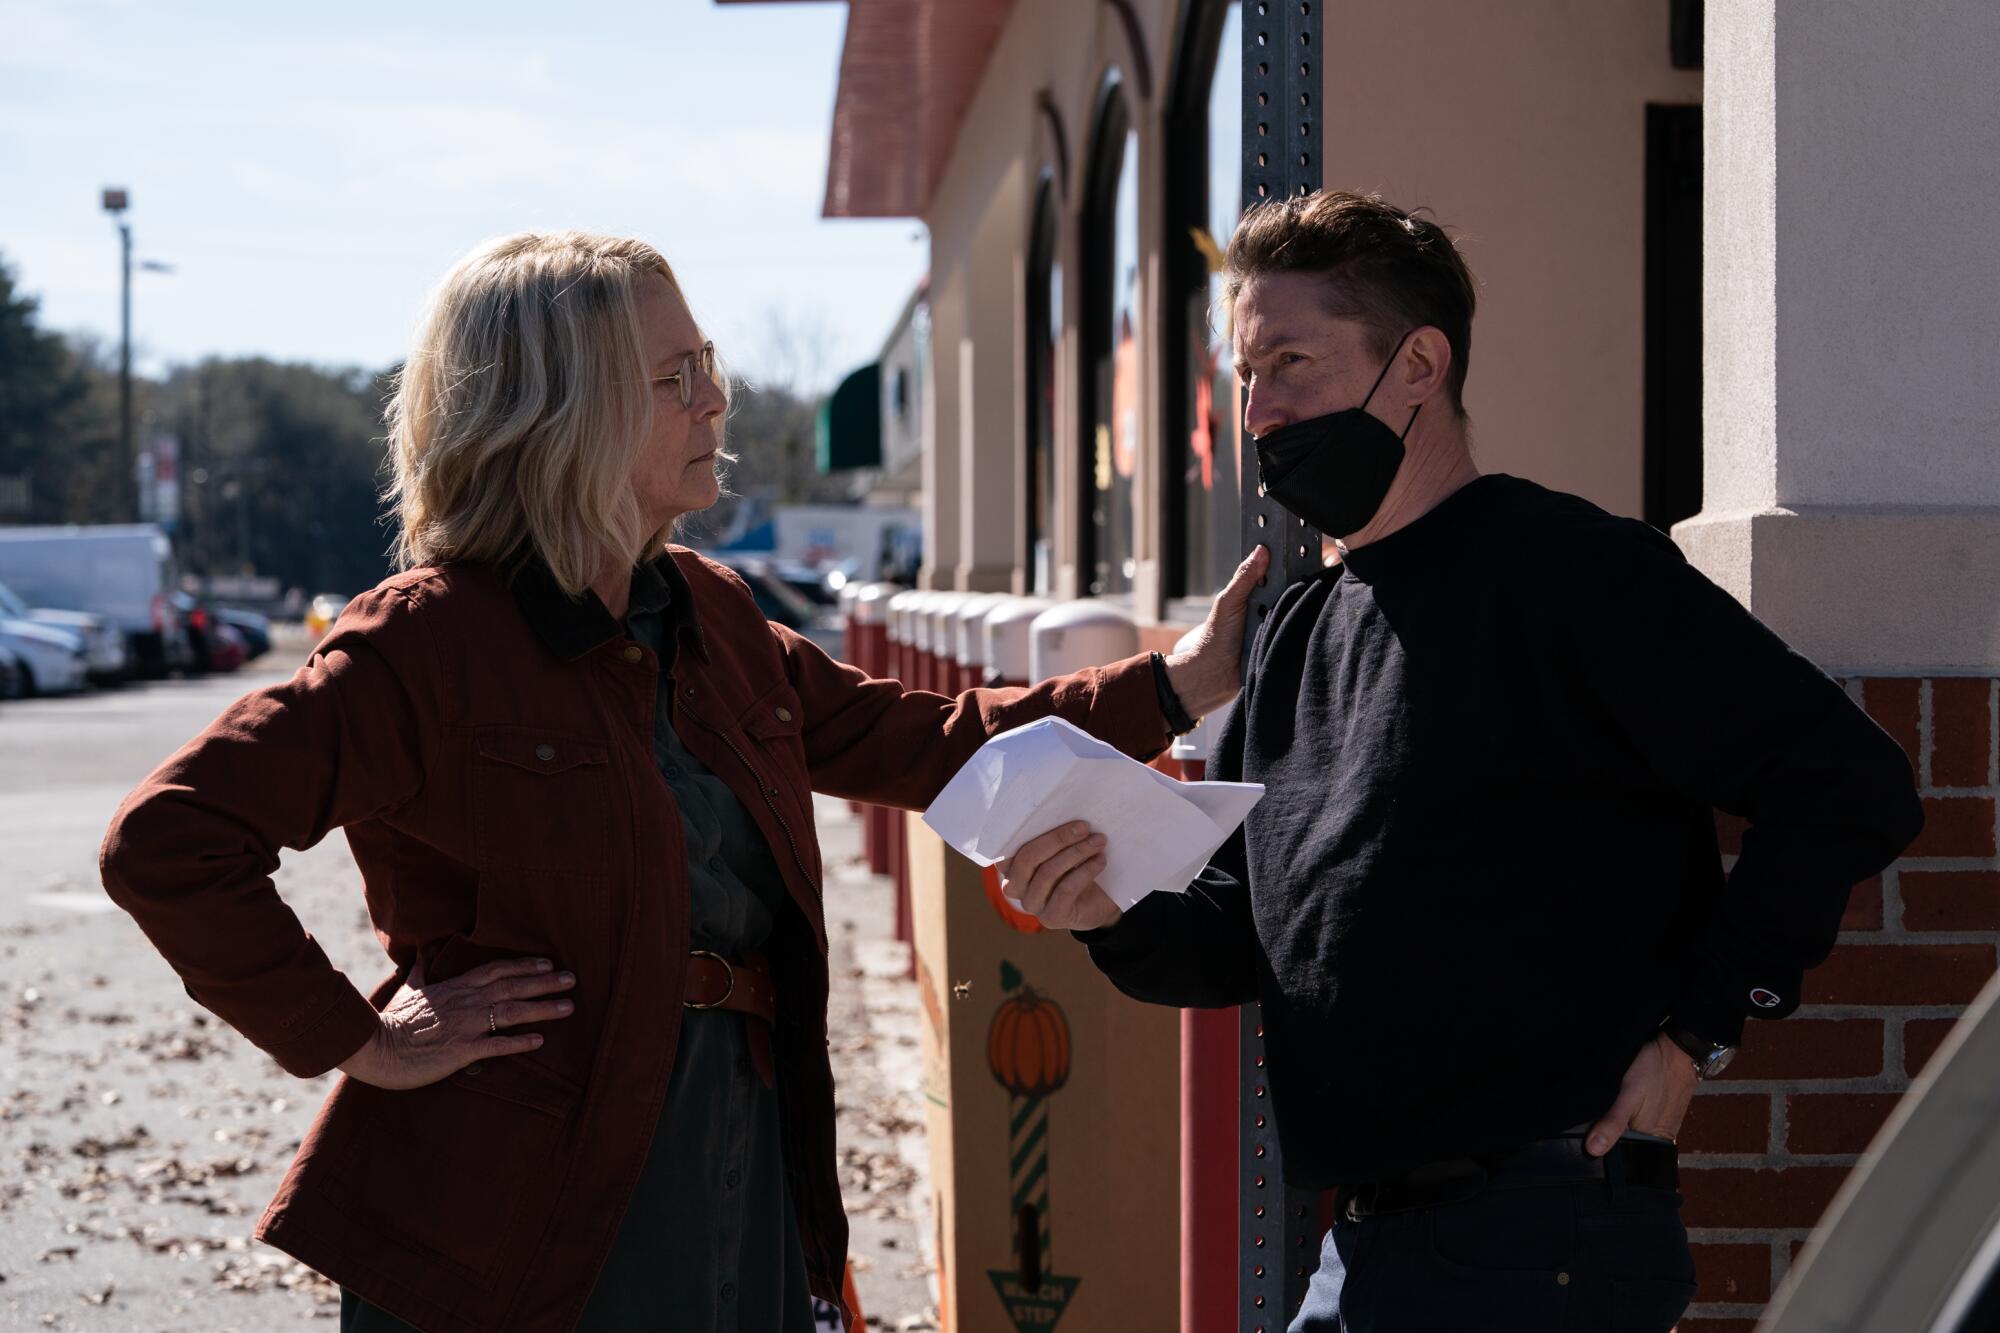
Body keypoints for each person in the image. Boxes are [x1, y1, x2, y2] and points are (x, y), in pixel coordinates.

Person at [97, 231, 1261, 1333]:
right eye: (673, 377)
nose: (715, 400)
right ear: (562, 414)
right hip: (512, 1193)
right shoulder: (427, 641)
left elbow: (925, 737)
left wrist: (1178, 684)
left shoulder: (710, 612)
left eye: (706, 365)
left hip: (731, 1143)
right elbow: (170, 840)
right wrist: (357, 1036)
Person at [998, 191, 1925, 1333]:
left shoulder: (1569, 573)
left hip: (1541, 1233)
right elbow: (1246, 935)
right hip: (1364, 1249)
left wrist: (1697, 1035)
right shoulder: (1291, 632)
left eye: (1292, 362)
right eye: (1246, 374)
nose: (1259, 409)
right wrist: (1104, 910)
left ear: (1419, 364)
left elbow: (1848, 783)